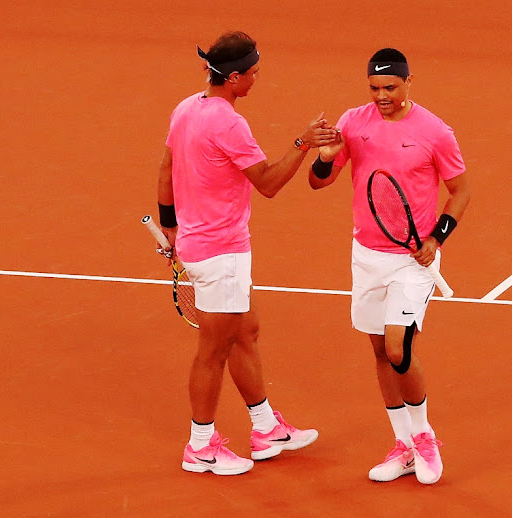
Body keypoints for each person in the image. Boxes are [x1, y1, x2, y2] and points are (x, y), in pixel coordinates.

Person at [156, 31, 339, 476]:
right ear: (234, 77)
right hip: (220, 252)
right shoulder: (229, 123)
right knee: (212, 351)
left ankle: (265, 427)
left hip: (206, 245)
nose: (257, 79)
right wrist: (303, 144)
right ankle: (201, 446)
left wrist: (170, 227)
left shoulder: (186, 108)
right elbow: (269, 183)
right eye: (253, 73)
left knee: (245, 331)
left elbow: (165, 170)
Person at [308, 48, 471, 484]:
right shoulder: (352, 122)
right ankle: (402, 446)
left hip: (411, 260)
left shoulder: (434, 132)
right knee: (380, 351)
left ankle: (424, 437)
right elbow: (318, 182)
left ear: (408, 82)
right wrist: (326, 156)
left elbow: (461, 190)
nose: (382, 96)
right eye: (375, 88)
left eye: (390, 87)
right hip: (367, 256)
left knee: (399, 348)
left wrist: (437, 238)